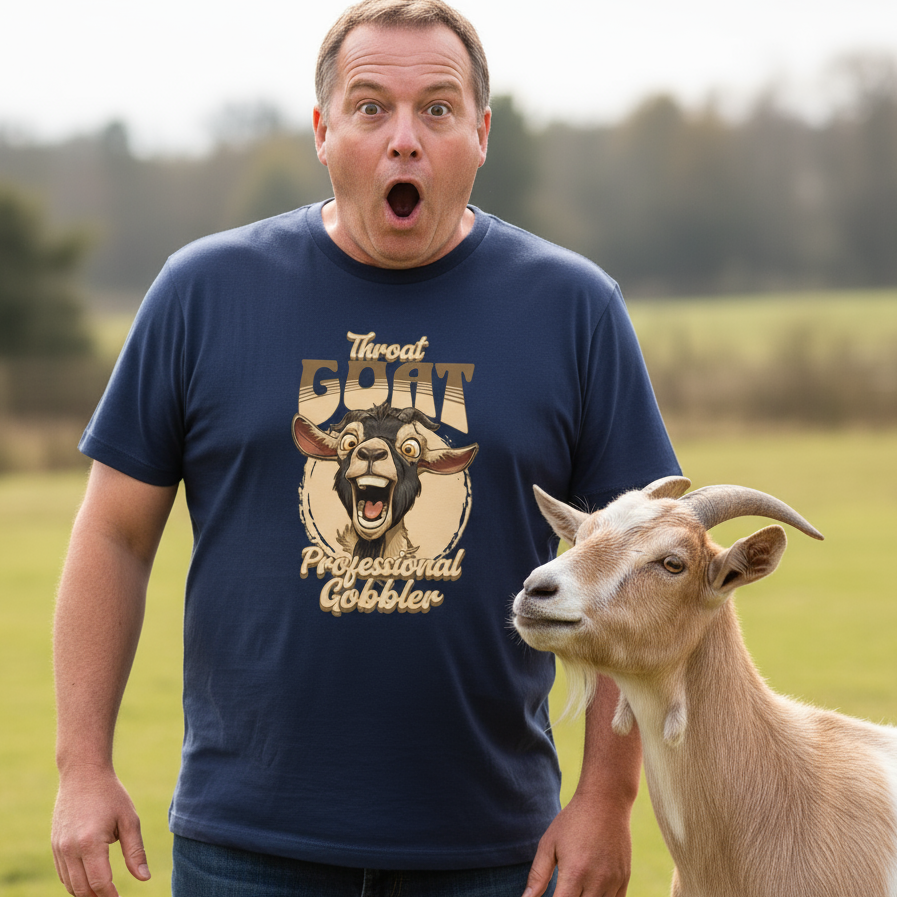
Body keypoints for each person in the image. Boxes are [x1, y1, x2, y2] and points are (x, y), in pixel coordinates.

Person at [51, 2, 681, 896]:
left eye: (437, 108)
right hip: (245, 849)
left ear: (480, 134)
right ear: (323, 130)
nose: (404, 139)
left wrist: (604, 799)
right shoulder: (203, 293)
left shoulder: (573, 309)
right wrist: (82, 767)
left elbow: (642, 565)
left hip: (496, 852)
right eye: (371, 107)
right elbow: (114, 534)